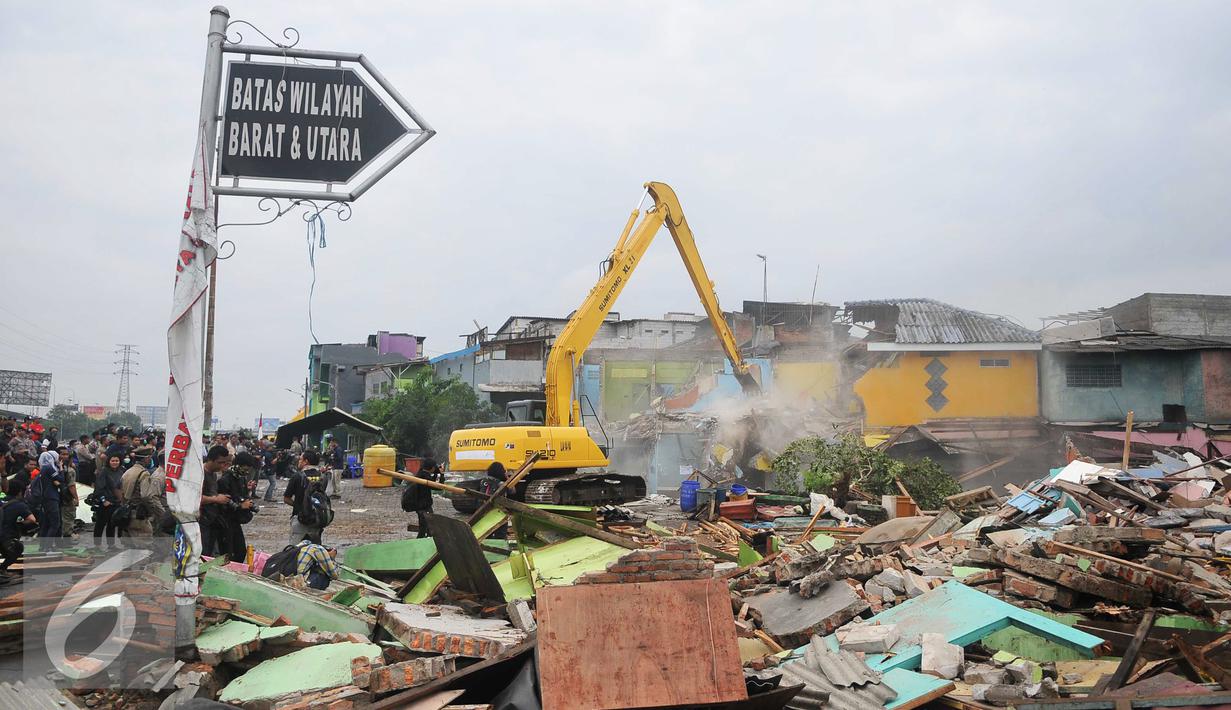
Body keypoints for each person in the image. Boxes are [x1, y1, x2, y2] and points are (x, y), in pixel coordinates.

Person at [217, 454, 258, 560]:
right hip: (225, 522)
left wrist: (248, 498)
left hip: (235, 521)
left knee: (240, 552)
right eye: (245, 468)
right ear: (238, 465)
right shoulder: (225, 480)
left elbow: (242, 496)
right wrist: (240, 506)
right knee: (228, 553)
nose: (247, 472)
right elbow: (223, 503)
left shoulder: (241, 479)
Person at [283, 449, 327, 544]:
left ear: (306, 461)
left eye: (300, 459)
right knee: (315, 551)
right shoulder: (323, 477)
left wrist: (299, 505)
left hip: (300, 518)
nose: (299, 462)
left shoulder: (297, 476)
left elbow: (286, 498)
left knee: (295, 552)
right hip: (317, 518)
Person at [199, 446, 234, 556]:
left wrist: (219, 497)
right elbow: (194, 498)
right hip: (200, 521)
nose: (222, 466)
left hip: (211, 520)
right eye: (220, 462)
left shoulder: (214, 474)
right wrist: (216, 499)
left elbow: (211, 493)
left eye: (224, 463)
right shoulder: (199, 474)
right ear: (211, 460)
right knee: (203, 553)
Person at [120, 446, 159, 537]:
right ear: (146, 458)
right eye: (149, 457)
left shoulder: (127, 472)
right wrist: (151, 509)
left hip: (127, 513)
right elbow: (145, 496)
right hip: (139, 515)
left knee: (130, 545)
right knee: (145, 544)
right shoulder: (144, 474)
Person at [92, 454, 126, 544]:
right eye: (113, 461)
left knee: (112, 524)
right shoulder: (104, 472)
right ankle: (97, 545)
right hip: (105, 503)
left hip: (116, 502)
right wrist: (103, 500)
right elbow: (99, 488)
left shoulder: (121, 471)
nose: (115, 463)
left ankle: (111, 545)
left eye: (117, 461)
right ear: (109, 462)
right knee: (100, 524)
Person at [404, 458, 441, 539]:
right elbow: (438, 487)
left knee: (425, 527)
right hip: (423, 507)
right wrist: (441, 475)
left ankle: (425, 540)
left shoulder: (420, 474)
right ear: (432, 468)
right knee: (425, 528)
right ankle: (421, 543)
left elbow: (431, 484)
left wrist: (435, 474)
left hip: (420, 506)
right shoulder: (424, 477)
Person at [0, 495, 35, 576]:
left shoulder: (4, 503)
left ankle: (2, 569)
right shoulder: (19, 505)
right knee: (18, 547)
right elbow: (32, 519)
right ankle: (2, 568)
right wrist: (20, 524)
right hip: (4, 537)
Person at [31, 460, 64, 542]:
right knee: (55, 524)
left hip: (45, 499)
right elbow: (61, 479)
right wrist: (61, 468)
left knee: (45, 524)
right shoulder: (49, 468)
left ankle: (43, 546)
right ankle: (47, 546)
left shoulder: (43, 469)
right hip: (52, 499)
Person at [478, 461, 510, 539]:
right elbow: (513, 490)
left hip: (484, 510)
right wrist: (507, 477)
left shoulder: (483, 481)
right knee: (500, 534)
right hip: (498, 511)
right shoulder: (500, 483)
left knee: (486, 532)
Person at [58, 446, 78, 539]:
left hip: (58, 497)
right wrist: (76, 498)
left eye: (67, 455)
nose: (65, 456)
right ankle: (67, 537)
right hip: (67, 498)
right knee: (69, 517)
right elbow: (71, 486)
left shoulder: (56, 468)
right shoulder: (70, 471)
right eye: (63, 454)